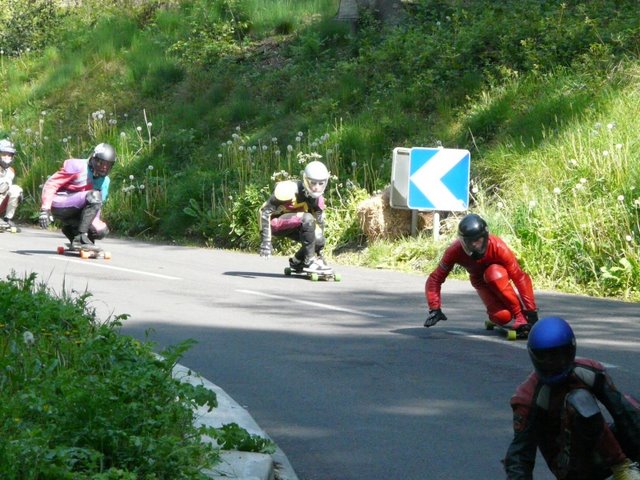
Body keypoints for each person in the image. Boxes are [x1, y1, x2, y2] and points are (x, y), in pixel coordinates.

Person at [504, 316, 640, 479]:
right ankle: (620, 467)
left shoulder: (590, 372)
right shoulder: (527, 398)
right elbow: (519, 455)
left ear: (570, 350)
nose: (552, 363)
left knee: (631, 403)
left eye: (558, 355)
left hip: (601, 445)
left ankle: (628, 466)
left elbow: (622, 412)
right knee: (580, 399)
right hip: (569, 465)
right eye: (545, 357)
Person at [423, 213, 538, 338]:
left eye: (478, 240)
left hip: (498, 275)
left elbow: (519, 277)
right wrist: (434, 308)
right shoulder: (454, 251)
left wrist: (531, 310)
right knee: (502, 316)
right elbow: (435, 279)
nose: (475, 245)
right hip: (478, 280)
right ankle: (506, 314)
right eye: (470, 242)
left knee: (494, 274)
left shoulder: (498, 246)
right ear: (462, 241)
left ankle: (520, 315)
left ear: (485, 237)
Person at [258, 160, 332, 272]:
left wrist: (319, 252)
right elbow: (265, 212)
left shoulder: (318, 199)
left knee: (319, 238)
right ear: (306, 180)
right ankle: (309, 261)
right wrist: (266, 242)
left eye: (321, 183)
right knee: (307, 218)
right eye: (313, 183)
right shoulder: (288, 189)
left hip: (299, 223)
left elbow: (319, 225)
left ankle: (297, 261)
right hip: (275, 223)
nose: (317, 188)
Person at [39, 143, 116, 249]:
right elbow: (51, 184)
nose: (104, 168)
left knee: (101, 230)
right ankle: (80, 237)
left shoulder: (105, 182)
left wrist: (91, 232)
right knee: (94, 195)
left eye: (108, 165)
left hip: (80, 208)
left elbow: (97, 207)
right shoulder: (78, 166)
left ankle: (72, 232)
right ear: (93, 159)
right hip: (60, 203)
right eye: (101, 163)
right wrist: (45, 209)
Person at [0, 139, 23, 231]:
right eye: (4, 154)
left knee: (16, 189)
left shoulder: (11, 171)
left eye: (9, 155)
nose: (7, 157)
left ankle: (7, 219)